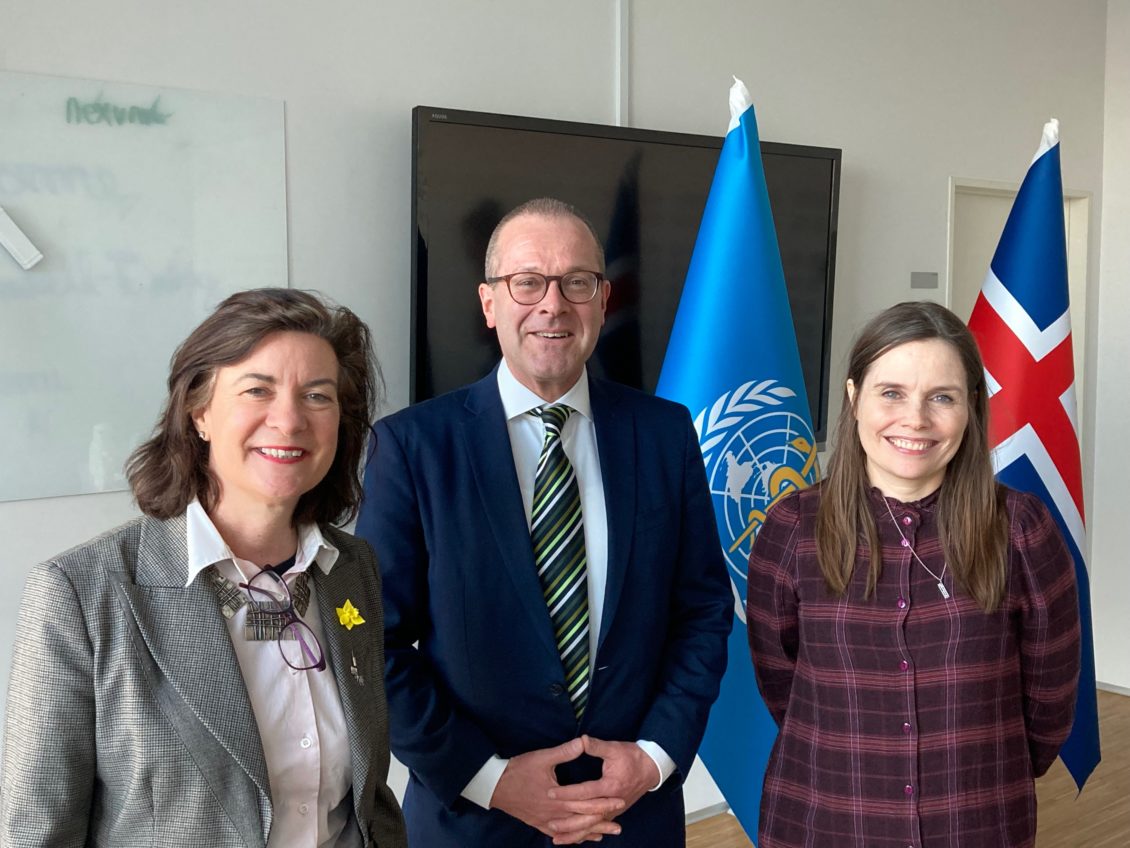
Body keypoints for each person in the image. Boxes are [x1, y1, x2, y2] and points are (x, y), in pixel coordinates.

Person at [356, 197, 732, 847]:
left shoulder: (665, 434)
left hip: (632, 816)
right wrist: (490, 779)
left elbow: (701, 610)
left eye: (576, 282)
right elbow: (370, 643)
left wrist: (655, 757)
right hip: (474, 823)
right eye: (526, 282)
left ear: (604, 300)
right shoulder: (411, 448)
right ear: (489, 303)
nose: (552, 305)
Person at [0, 288, 407, 848]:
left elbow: (368, 801)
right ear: (199, 413)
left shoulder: (351, 570)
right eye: (257, 390)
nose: (289, 420)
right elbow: (36, 832)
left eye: (317, 396)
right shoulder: (81, 594)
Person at [746, 300, 1081, 848]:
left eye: (942, 397)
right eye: (892, 393)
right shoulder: (792, 528)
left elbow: (1050, 699)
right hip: (823, 817)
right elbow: (780, 681)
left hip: (976, 823)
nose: (916, 419)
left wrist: (978, 766)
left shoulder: (1022, 529)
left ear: (971, 406)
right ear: (854, 397)